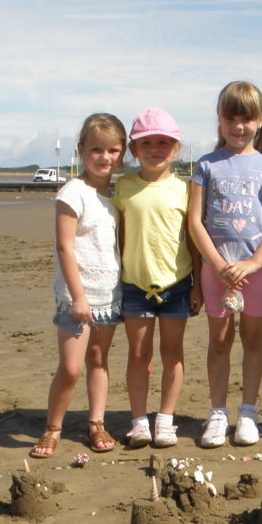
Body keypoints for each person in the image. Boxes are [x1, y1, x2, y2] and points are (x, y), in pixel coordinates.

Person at [188, 81, 262, 449]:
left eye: (247, 118)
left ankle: (248, 411)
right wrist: (216, 264)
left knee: (252, 339)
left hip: (256, 274)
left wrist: (253, 263)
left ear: (260, 121)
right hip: (216, 272)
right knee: (219, 341)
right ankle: (217, 412)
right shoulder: (205, 165)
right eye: (232, 117)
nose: (239, 126)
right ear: (220, 118)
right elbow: (195, 221)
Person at [31, 113, 127, 458]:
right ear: (81, 150)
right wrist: (79, 297)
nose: (105, 157)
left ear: (123, 153)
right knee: (71, 368)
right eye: (96, 149)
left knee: (100, 360)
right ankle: (53, 427)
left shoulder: (114, 197)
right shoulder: (73, 192)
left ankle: (96, 423)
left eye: (114, 150)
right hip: (77, 297)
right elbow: (64, 246)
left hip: (109, 294)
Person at [112, 107, 200, 450]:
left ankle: (165, 419)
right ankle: (139, 421)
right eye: (146, 143)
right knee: (138, 355)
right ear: (134, 150)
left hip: (177, 286)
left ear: (175, 148)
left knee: (173, 354)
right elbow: (118, 235)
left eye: (163, 142)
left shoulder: (185, 190)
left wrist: (199, 285)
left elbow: (192, 240)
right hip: (135, 285)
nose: (155, 149)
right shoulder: (124, 187)